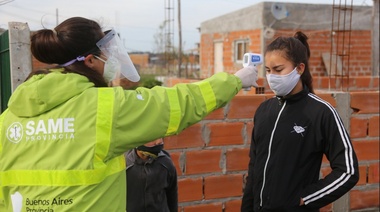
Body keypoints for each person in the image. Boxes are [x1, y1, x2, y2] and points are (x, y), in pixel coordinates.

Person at [0, 16, 258, 211]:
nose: (109, 62)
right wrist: (235, 80)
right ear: (90, 61)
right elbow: (179, 102)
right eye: (105, 56)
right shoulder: (106, 108)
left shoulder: (8, 117)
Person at [241, 31, 359, 212]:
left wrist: (307, 198)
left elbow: (348, 171)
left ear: (300, 68)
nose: (272, 76)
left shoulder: (321, 113)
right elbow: (254, 169)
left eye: (278, 70)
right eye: (268, 70)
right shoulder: (264, 111)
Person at [125, 138, 177, 212]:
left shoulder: (166, 164)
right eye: (152, 138)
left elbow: (172, 200)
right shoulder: (124, 166)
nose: (158, 141)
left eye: (160, 137)